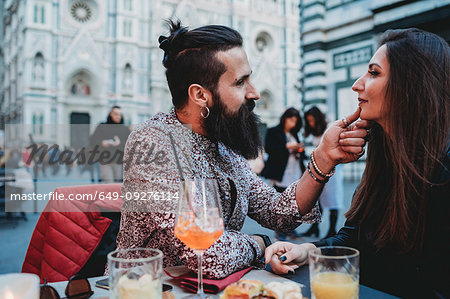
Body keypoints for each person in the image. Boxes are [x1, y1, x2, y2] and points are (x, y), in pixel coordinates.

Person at [115, 20, 369, 279]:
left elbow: (278, 213)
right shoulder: (153, 144)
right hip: (147, 289)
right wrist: (261, 243)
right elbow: (207, 254)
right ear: (200, 95)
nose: (255, 93)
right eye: (240, 82)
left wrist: (323, 158)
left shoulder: (223, 146)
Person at [265, 28, 449, 298]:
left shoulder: (443, 170)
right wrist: (307, 250)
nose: (357, 84)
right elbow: (353, 239)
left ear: (410, 84)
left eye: (373, 73)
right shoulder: (386, 158)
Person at [261, 108, 306, 241]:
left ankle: (290, 229)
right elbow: (269, 149)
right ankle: (280, 231)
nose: (292, 123)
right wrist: (287, 147)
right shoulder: (274, 131)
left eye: (295, 121)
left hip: (295, 171)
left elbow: (301, 153)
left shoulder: (295, 134)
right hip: (280, 172)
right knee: (280, 203)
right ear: (285, 118)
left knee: (293, 204)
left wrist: (299, 150)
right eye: (291, 120)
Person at [299, 106, 344, 238]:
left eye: (312, 120)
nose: (311, 123)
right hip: (320, 169)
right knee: (317, 199)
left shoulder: (329, 128)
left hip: (333, 170)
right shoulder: (315, 132)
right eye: (309, 121)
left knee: (333, 199)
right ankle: (315, 228)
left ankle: (332, 230)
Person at [90, 106, 130, 183]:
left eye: (120, 114)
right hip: (105, 160)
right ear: (110, 114)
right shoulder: (101, 126)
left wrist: (120, 143)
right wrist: (102, 142)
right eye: (116, 114)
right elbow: (93, 141)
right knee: (108, 184)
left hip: (119, 162)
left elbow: (130, 143)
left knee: (118, 185)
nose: (118, 116)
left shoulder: (125, 129)